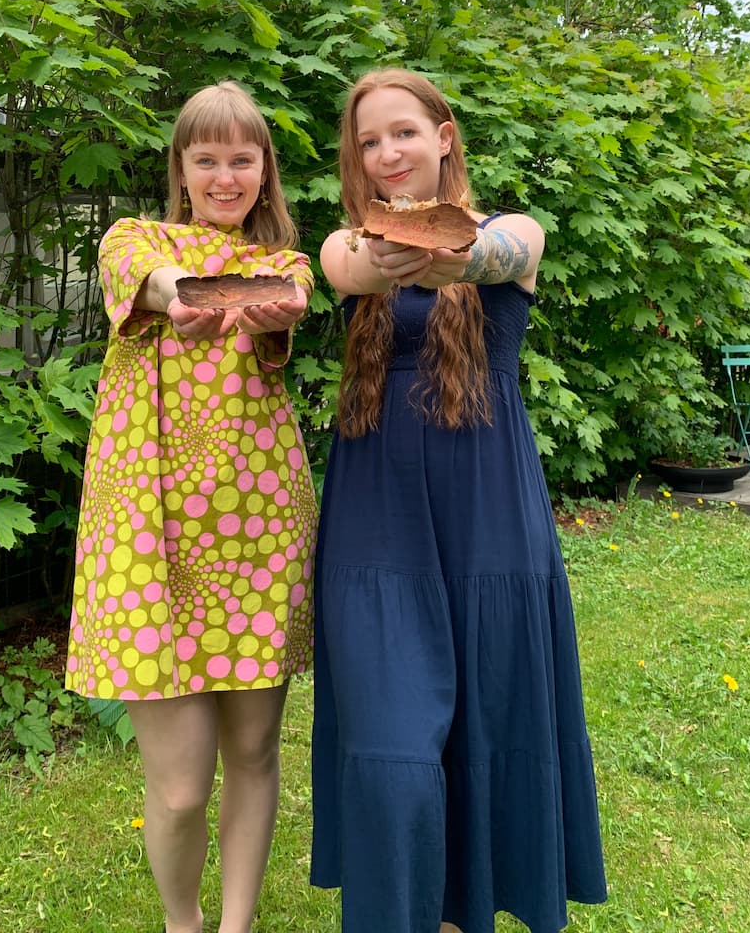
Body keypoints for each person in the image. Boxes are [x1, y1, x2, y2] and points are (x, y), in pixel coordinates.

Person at [310, 68, 607, 933]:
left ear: (444, 136)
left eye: (404, 132)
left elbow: (500, 252)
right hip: (377, 515)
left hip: (489, 514)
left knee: (486, 718)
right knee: (392, 733)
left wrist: (443, 249)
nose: (387, 152)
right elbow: (347, 269)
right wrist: (384, 250)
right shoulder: (347, 247)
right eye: (369, 141)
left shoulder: (515, 233)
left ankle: (456, 911)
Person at [65, 80, 318, 933]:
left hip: (259, 538)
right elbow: (150, 279)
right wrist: (183, 294)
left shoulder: (282, 263)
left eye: (240, 158)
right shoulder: (131, 239)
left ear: (263, 170)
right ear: (180, 167)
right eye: (205, 158)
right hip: (147, 539)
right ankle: (184, 923)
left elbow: (291, 307)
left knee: (253, 753)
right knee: (176, 789)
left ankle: (236, 926)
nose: (223, 175)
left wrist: (264, 307)